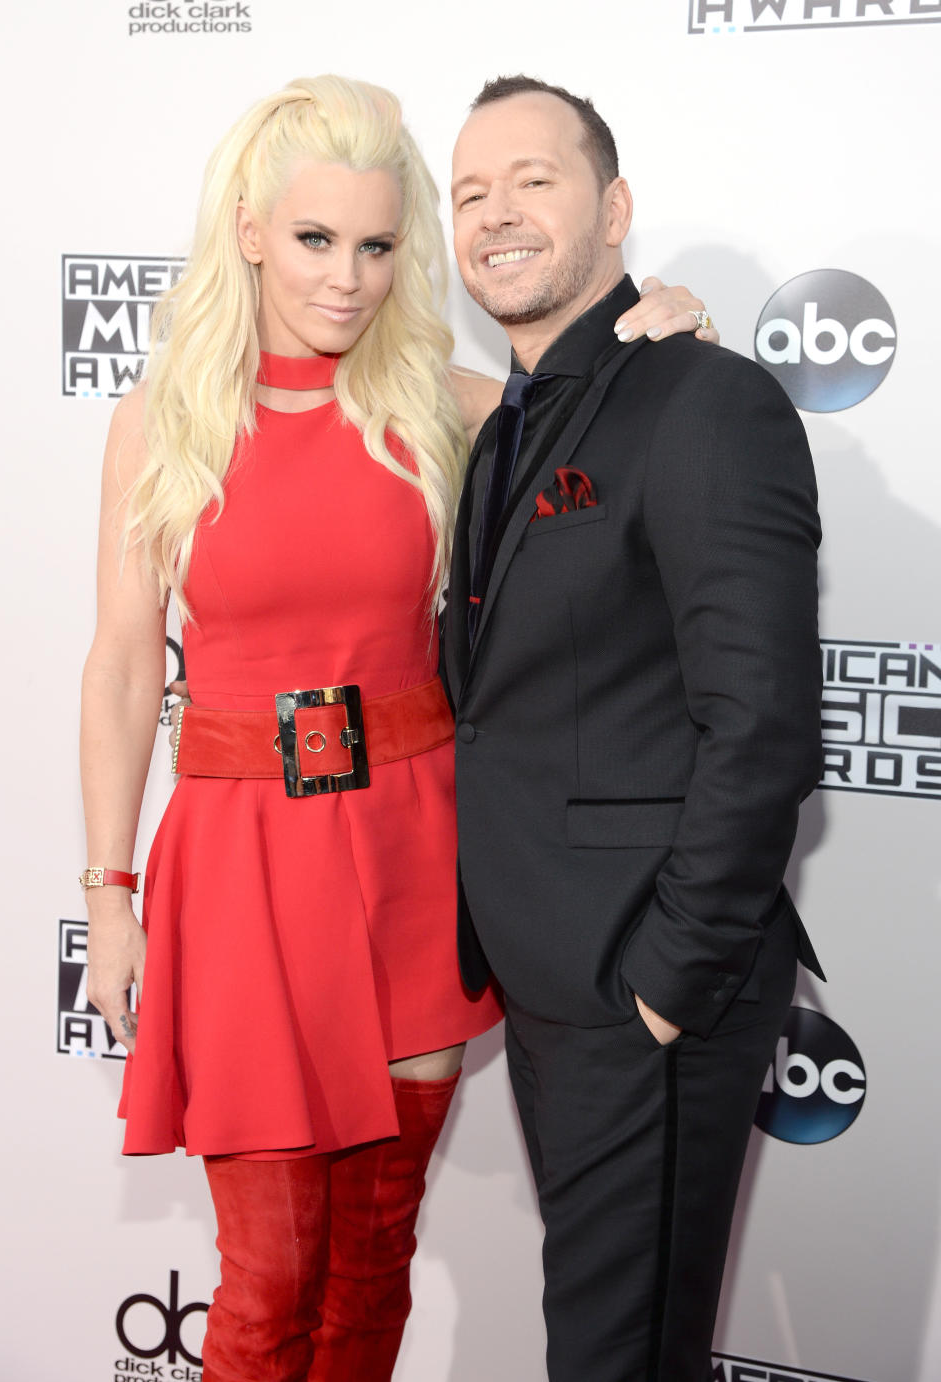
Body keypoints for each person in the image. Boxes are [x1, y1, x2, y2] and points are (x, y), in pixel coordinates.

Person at [80, 74, 715, 1382]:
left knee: (372, 1269)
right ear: (250, 227)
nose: (350, 278)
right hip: (241, 872)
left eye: (377, 246)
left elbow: (612, 411)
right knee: (266, 1284)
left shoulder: (445, 403)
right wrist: (110, 887)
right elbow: (126, 664)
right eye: (318, 240)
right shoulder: (162, 425)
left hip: (411, 861)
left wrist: (664, 326)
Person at [443, 75, 825, 1382]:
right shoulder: (506, 421)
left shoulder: (705, 402)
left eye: (532, 181)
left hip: (638, 986)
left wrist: (664, 987)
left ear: (614, 210)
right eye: (471, 193)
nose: (497, 215)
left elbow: (763, 723)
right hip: (548, 978)